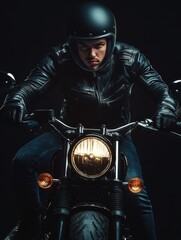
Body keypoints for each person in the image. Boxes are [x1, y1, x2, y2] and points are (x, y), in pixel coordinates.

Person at [0, 2, 177, 240]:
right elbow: (32, 85)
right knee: (23, 161)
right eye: (83, 46)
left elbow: (161, 90)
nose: (91, 54)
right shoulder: (59, 58)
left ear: (110, 42)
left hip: (118, 135)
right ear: (72, 45)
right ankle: (30, 222)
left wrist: (167, 109)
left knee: (137, 195)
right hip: (67, 132)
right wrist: (16, 102)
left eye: (99, 46)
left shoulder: (130, 58)